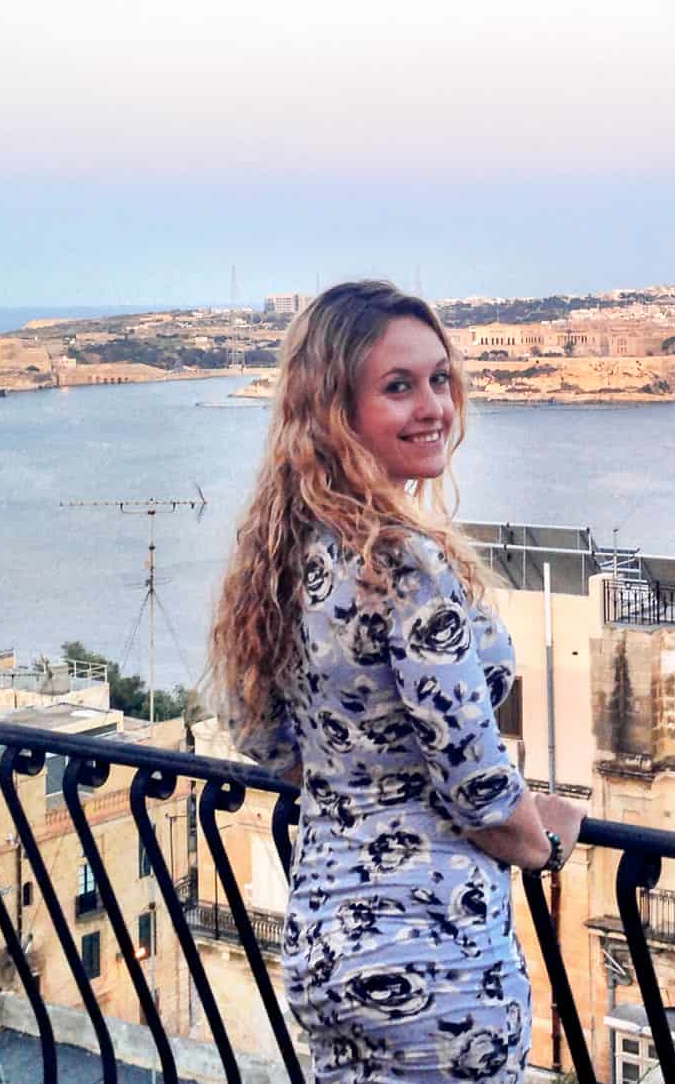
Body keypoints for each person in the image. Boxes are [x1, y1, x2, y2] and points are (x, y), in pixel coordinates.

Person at [211, 280, 585, 1084]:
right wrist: (547, 836)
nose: (434, 407)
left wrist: (371, 781)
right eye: (398, 386)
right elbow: (478, 786)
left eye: (440, 379)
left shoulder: (288, 551)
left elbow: (261, 734)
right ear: (335, 410)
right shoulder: (403, 564)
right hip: (436, 962)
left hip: (326, 937)